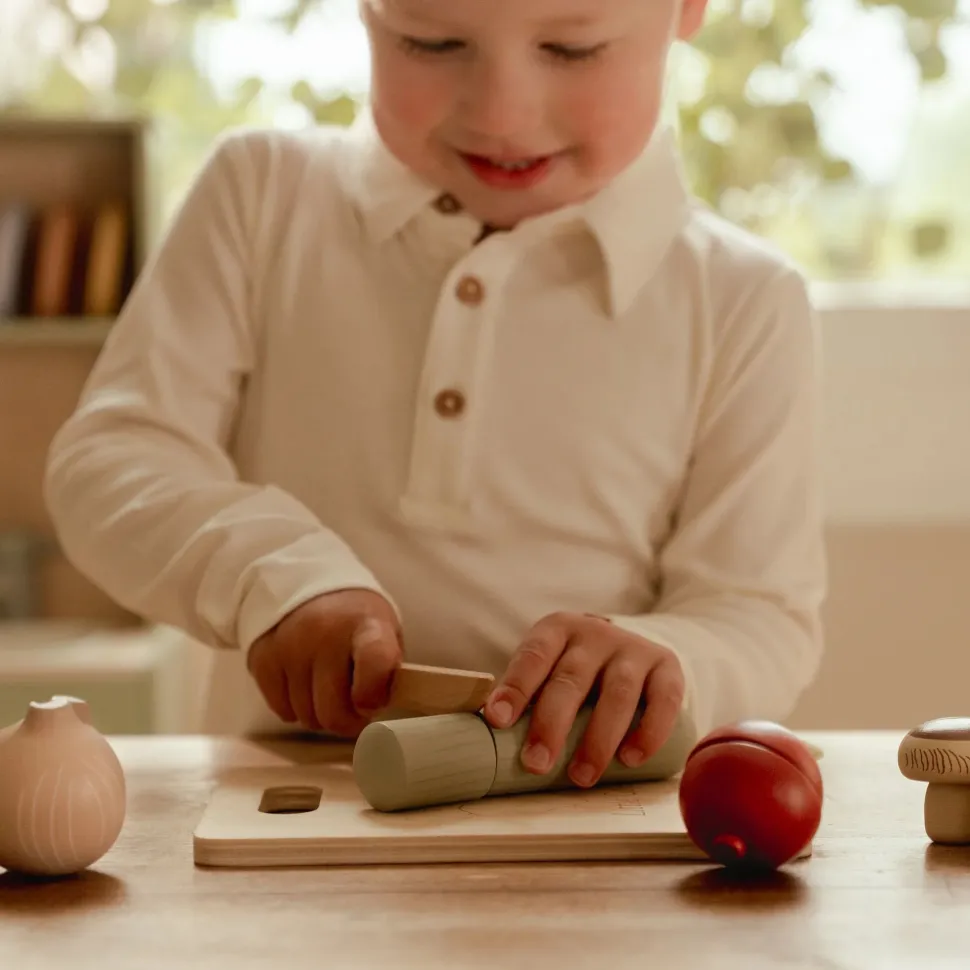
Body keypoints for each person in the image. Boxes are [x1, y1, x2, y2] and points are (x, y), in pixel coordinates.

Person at [44, 0, 827, 790]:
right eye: (431, 40)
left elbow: (758, 618)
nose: (500, 114)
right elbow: (113, 458)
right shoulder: (262, 196)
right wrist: (272, 575)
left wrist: (660, 667)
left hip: (585, 819)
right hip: (292, 811)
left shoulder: (744, 298)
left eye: (571, 47)